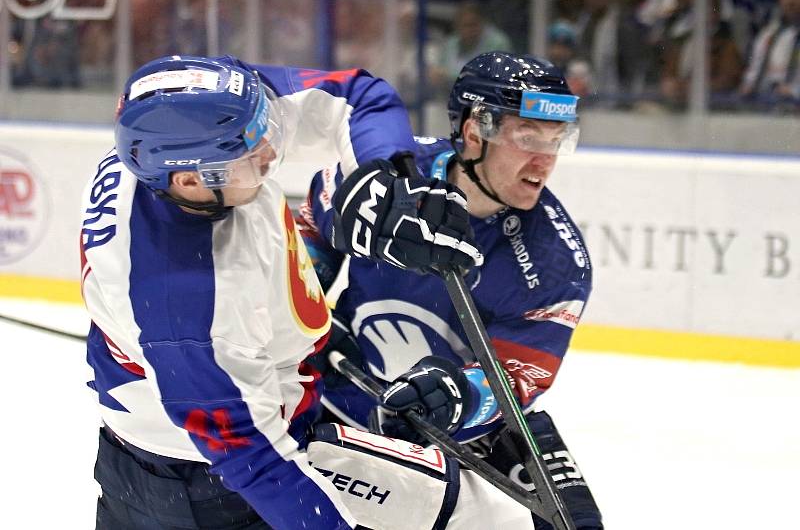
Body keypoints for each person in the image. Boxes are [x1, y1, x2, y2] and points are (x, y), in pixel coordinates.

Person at [79, 54, 539, 530]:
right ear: (192, 179)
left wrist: (380, 179)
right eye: (249, 150)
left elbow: (357, 96)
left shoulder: (179, 131)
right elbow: (256, 463)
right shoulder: (191, 308)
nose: (269, 154)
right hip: (210, 491)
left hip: (150, 459)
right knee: (482, 516)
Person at [300, 52, 603, 529]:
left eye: (557, 140)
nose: (545, 160)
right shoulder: (391, 179)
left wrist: (460, 393)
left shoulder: (555, 261)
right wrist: (304, 312)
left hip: (464, 427)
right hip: (342, 386)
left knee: (575, 523)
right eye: (527, 137)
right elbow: (308, 238)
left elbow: (518, 375)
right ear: (472, 132)